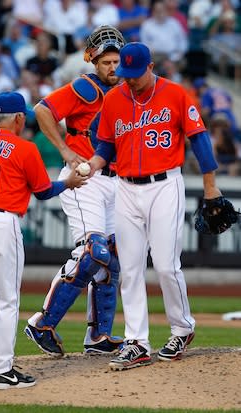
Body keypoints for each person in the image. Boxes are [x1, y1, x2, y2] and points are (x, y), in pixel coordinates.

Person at [89, 42, 223, 370]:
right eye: (125, 74)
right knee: (130, 269)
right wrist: (92, 165)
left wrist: (210, 185)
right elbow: (105, 144)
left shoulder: (175, 94)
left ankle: (181, 328)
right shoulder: (114, 99)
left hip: (165, 185)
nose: (129, 80)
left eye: (135, 74)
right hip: (125, 187)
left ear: (150, 67)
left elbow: (199, 137)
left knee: (165, 265)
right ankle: (137, 341)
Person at [0, 91, 87, 389]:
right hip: (1, 221)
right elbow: (42, 191)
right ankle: (3, 371)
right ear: (18, 118)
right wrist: (68, 183)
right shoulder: (24, 148)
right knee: (8, 300)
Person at [24, 25, 126, 357]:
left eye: (117, 61)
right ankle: (42, 321)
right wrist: (67, 152)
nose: (113, 67)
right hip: (83, 180)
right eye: (107, 61)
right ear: (95, 62)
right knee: (94, 251)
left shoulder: (129, 91)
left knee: (111, 260)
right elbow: (41, 109)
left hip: (114, 180)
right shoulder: (85, 86)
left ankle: (99, 337)